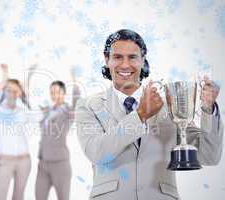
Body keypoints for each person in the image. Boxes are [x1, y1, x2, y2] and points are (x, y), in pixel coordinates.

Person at [75, 29, 223, 200]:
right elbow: (97, 153)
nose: (125, 64)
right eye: (117, 57)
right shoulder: (88, 106)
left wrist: (208, 109)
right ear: (106, 59)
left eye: (132, 57)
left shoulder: (168, 105)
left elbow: (209, 155)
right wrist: (139, 116)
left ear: (143, 60)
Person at [0, 64, 36, 200]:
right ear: (4, 91)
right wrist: (5, 75)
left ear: (18, 94)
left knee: (19, 196)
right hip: (5, 160)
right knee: (0, 196)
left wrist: (26, 87)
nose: (11, 94)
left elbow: (36, 112)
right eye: (8, 90)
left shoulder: (23, 112)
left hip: (24, 161)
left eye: (15, 91)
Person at [35, 70, 81, 200]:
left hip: (60, 164)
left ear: (64, 93)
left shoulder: (68, 112)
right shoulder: (47, 111)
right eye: (52, 92)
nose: (54, 95)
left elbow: (77, 102)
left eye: (57, 92)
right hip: (43, 163)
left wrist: (75, 82)